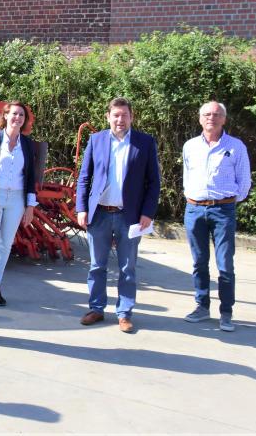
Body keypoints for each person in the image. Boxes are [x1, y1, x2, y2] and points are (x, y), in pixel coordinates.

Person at [76, 97, 160, 334]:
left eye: (124, 115)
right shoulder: (96, 140)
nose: (120, 119)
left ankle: (124, 313)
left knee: (127, 268)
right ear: (108, 117)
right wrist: (81, 208)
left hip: (129, 216)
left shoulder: (145, 142)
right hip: (99, 214)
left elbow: (153, 182)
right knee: (96, 266)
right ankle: (96, 308)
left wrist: (147, 213)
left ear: (131, 117)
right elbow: (84, 177)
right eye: (116, 115)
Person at [181, 101, 251, 332]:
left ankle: (226, 313)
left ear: (224, 119)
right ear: (200, 118)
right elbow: (187, 177)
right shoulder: (190, 146)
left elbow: (244, 182)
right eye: (207, 114)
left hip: (223, 211)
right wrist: (192, 197)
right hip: (194, 210)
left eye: (216, 114)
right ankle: (202, 307)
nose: (211, 117)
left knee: (225, 264)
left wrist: (226, 202)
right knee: (199, 262)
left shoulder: (236, 146)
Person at [0, 101, 38, 308]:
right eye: (14, 114)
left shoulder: (27, 144)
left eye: (21, 115)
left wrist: (30, 206)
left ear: (25, 120)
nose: (17, 118)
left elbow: (30, 176)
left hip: (17, 199)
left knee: (6, 244)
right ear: (5, 115)